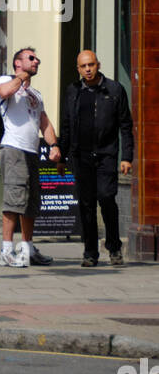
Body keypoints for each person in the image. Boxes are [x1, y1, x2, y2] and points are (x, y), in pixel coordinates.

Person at [59, 49, 134, 267]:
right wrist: (62, 157)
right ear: (78, 69)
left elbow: (126, 126)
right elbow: (66, 125)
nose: (88, 69)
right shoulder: (73, 91)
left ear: (98, 64)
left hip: (106, 155)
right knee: (86, 204)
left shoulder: (114, 90)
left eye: (91, 64)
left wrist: (127, 157)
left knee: (107, 198)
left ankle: (114, 247)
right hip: (81, 156)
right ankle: (90, 252)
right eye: (84, 66)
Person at [0, 47, 62, 267]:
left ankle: (27, 248)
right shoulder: (6, 81)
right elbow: (4, 92)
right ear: (17, 63)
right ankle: (6, 250)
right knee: (13, 199)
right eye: (31, 58)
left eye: (37, 59)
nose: (36, 62)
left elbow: (44, 122)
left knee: (31, 202)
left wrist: (53, 145)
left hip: (32, 151)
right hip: (13, 149)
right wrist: (21, 77)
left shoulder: (36, 95)